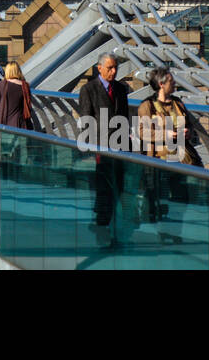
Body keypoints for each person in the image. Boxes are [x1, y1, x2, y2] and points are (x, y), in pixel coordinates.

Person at [137, 67, 198, 243]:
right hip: (159, 161)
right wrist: (166, 135)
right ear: (161, 84)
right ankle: (164, 232)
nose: (175, 84)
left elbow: (191, 124)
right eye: (171, 81)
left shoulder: (178, 103)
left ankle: (175, 231)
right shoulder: (147, 105)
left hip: (179, 159)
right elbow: (142, 132)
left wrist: (188, 133)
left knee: (181, 198)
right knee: (162, 199)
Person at [77, 53, 130, 247]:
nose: (114, 71)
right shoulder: (88, 90)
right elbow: (86, 119)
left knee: (119, 187)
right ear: (99, 68)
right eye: (110, 68)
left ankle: (114, 229)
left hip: (120, 147)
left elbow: (124, 117)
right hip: (102, 148)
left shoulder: (121, 89)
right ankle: (102, 227)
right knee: (105, 186)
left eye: (115, 67)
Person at [0, 62, 34, 130]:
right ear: (18, 71)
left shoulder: (2, 84)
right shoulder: (25, 86)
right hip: (19, 122)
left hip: (2, 120)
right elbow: (28, 104)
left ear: (7, 71)